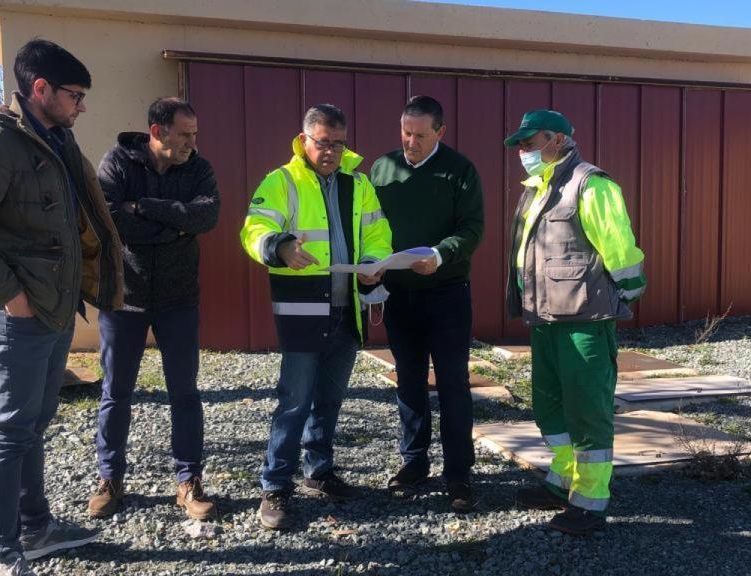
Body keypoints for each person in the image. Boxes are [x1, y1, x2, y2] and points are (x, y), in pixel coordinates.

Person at [0, 39, 124, 576]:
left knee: (33, 426)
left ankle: (35, 528)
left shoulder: (53, 140)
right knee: (10, 429)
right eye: (75, 95)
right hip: (16, 313)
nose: (82, 106)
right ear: (40, 89)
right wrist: (11, 298)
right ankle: (1, 554)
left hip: (54, 309)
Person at [240, 104, 392, 530]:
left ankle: (318, 471)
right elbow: (253, 229)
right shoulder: (282, 181)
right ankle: (275, 486)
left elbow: (378, 231)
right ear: (304, 140)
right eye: (323, 142)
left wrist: (377, 260)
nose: (330, 151)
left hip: (347, 311)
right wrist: (281, 246)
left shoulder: (358, 184)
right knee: (294, 401)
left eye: (338, 142)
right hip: (303, 308)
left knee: (329, 399)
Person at [503, 109, 646, 536]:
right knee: (551, 408)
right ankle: (561, 481)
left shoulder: (592, 184)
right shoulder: (537, 187)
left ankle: (590, 501)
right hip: (545, 319)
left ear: (559, 139)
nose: (524, 151)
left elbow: (620, 250)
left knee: (587, 410)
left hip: (584, 320)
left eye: (531, 142)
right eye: (521, 145)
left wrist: (626, 291)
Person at [86, 98, 220, 521]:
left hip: (180, 300)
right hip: (125, 298)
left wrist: (143, 206)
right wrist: (175, 228)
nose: (192, 142)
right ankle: (110, 478)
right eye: (185, 134)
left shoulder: (198, 168)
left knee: (185, 393)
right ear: (157, 131)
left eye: (195, 133)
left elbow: (207, 216)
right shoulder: (118, 163)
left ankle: (188, 481)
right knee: (116, 392)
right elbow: (107, 218)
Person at [369, 95, 484, 512]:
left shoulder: (460, 171)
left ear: (441, 132)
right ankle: (414, 464)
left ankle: (459, 473)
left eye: (420, 134)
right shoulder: (381, 169)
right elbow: (369, 224)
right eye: (405, 132)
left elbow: (472, 228)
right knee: (409, 381)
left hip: (448, 293)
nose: (410, 142)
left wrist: (439, 255)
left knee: (453, 384)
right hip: (400, 295)